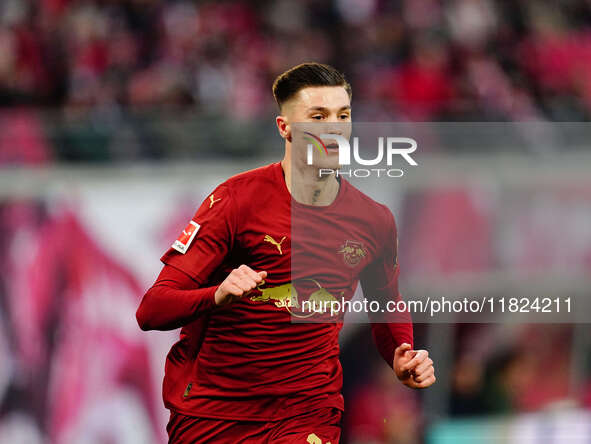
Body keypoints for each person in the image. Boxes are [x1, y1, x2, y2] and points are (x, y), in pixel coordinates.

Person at [136, 62, 436, 443]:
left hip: (307, 412)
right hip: (217, 413)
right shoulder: (235, 201)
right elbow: (152, 308)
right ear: (285, 128)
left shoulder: (373, 220)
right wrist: (218, 294)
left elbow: (387, 303)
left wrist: (401, 353)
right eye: (318, 116)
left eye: (343, 116)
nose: (334, 128)